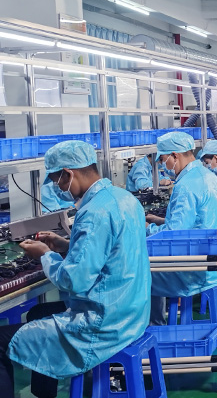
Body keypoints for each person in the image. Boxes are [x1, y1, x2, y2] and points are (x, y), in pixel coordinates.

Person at [1, 141, 150, 398]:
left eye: (57, 182)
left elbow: (74, 281)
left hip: (101, 326)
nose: (60, 189)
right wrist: (66, 245)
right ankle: (44, 394)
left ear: (68, 174)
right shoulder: (123, 198)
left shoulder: (93, 213)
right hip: (130, 313)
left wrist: (45, 254)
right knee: (38, 312)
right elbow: (109, 251)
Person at [145, 132, 217, 325]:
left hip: (194, 267)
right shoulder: (208, 175)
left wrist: (148, 230)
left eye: (163, 159)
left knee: (142, 272)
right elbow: (192, 221)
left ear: (175, 156)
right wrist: (160, 221)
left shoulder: (186, 185)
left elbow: (173, 235)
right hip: (212, 256)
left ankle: (155, 329)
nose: (163, 165)